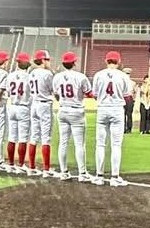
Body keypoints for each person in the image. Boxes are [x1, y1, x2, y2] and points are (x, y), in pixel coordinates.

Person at [92, 51, 129, 186]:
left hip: (102, 108)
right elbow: (127, 95)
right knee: (116, 144)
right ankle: (114, 177)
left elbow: (94, 95)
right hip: (117, 109)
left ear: (106, 61)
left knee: (100, 144)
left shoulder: (98, 75)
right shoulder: (123, 75)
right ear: (118, 62)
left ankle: (99, 176)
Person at [52, 51, 91, 180]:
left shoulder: (57, 77)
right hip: (76, 110)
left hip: (62, 110)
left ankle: (64, 172)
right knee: (79, 144)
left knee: (63, 142)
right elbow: (89, 93)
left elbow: (56, 95)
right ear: (74, 63)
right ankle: (82, 173)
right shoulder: (80, 76)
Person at [2, 52, 32, 174]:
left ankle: (10, 164)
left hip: (12, 106)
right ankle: (20, 164)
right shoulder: (29, 77)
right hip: (23, 107)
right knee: (23, 138)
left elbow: (8, 92)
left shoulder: (10, 76)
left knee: (12, 136)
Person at [123, 67, 136, 134]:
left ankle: (129, 128)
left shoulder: (133, 83)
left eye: (128, 74)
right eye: (126, 73)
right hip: (123, 98)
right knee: (123, 115)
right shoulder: (121, 82)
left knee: (129, 114)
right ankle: (123, 128)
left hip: (129, 98)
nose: (127, 75)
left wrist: (134, 100)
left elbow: (134, 92)